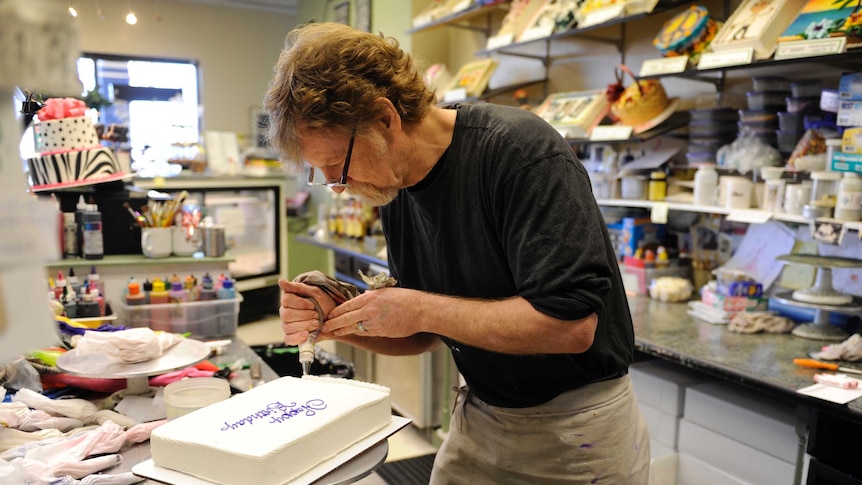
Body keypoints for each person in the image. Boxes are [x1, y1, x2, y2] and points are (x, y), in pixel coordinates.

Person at [267, 22, 650, 484]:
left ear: (385, 119)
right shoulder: (393, 185)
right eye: (322, 174)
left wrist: (419, 307)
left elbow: (571, 326)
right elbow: (423, 332)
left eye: (337, 166)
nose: (340, 186)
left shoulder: (516, 152)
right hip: (480, 417)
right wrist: (335, 321)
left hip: (576, 433)